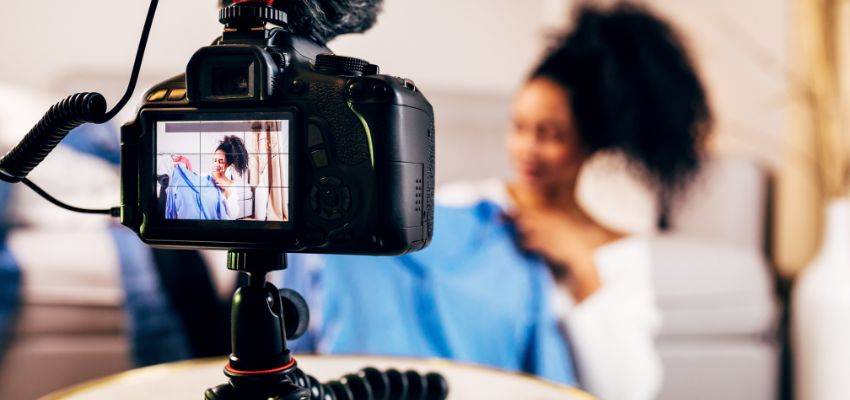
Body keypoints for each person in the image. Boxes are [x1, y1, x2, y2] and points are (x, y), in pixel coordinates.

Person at [284, 2, 712, 399]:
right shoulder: (471, 205)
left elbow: (630, 390)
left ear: (591, 142)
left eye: (550, 134)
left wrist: (583, 272)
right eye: (520, 127)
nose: (527, 147)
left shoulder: (617, 251)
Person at [165, 135, 249, 220]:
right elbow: (192, 183)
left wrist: (226, 191)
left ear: (228, 164)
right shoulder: (205, 177)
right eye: (215, 160)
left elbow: (233, 216)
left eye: (220, 161)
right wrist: (181, 170)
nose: (216, 164)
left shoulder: (230, 185)